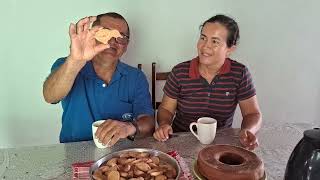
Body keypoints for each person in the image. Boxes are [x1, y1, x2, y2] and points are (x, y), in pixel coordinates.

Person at [43, 12, 154, 146]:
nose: (112, 41)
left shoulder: (136, 77)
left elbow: (148, 123)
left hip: (121, 156)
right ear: (91, 35)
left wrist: (130, 127)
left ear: (126, 45)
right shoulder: (67, 66)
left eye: (120, 36)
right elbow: (50, 96)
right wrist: (75, 61)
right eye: (105, 33)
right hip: (74, 153)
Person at [153, 15, 262, 150]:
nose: (205, 46)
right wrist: (164, 124)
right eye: (203, 38)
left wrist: (249, 130)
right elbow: (166, 109)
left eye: (215, 41)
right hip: (181, 143)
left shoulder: (239, 73)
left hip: (220, 144)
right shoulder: (179, 72)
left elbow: (252, 114)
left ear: (230, 49)